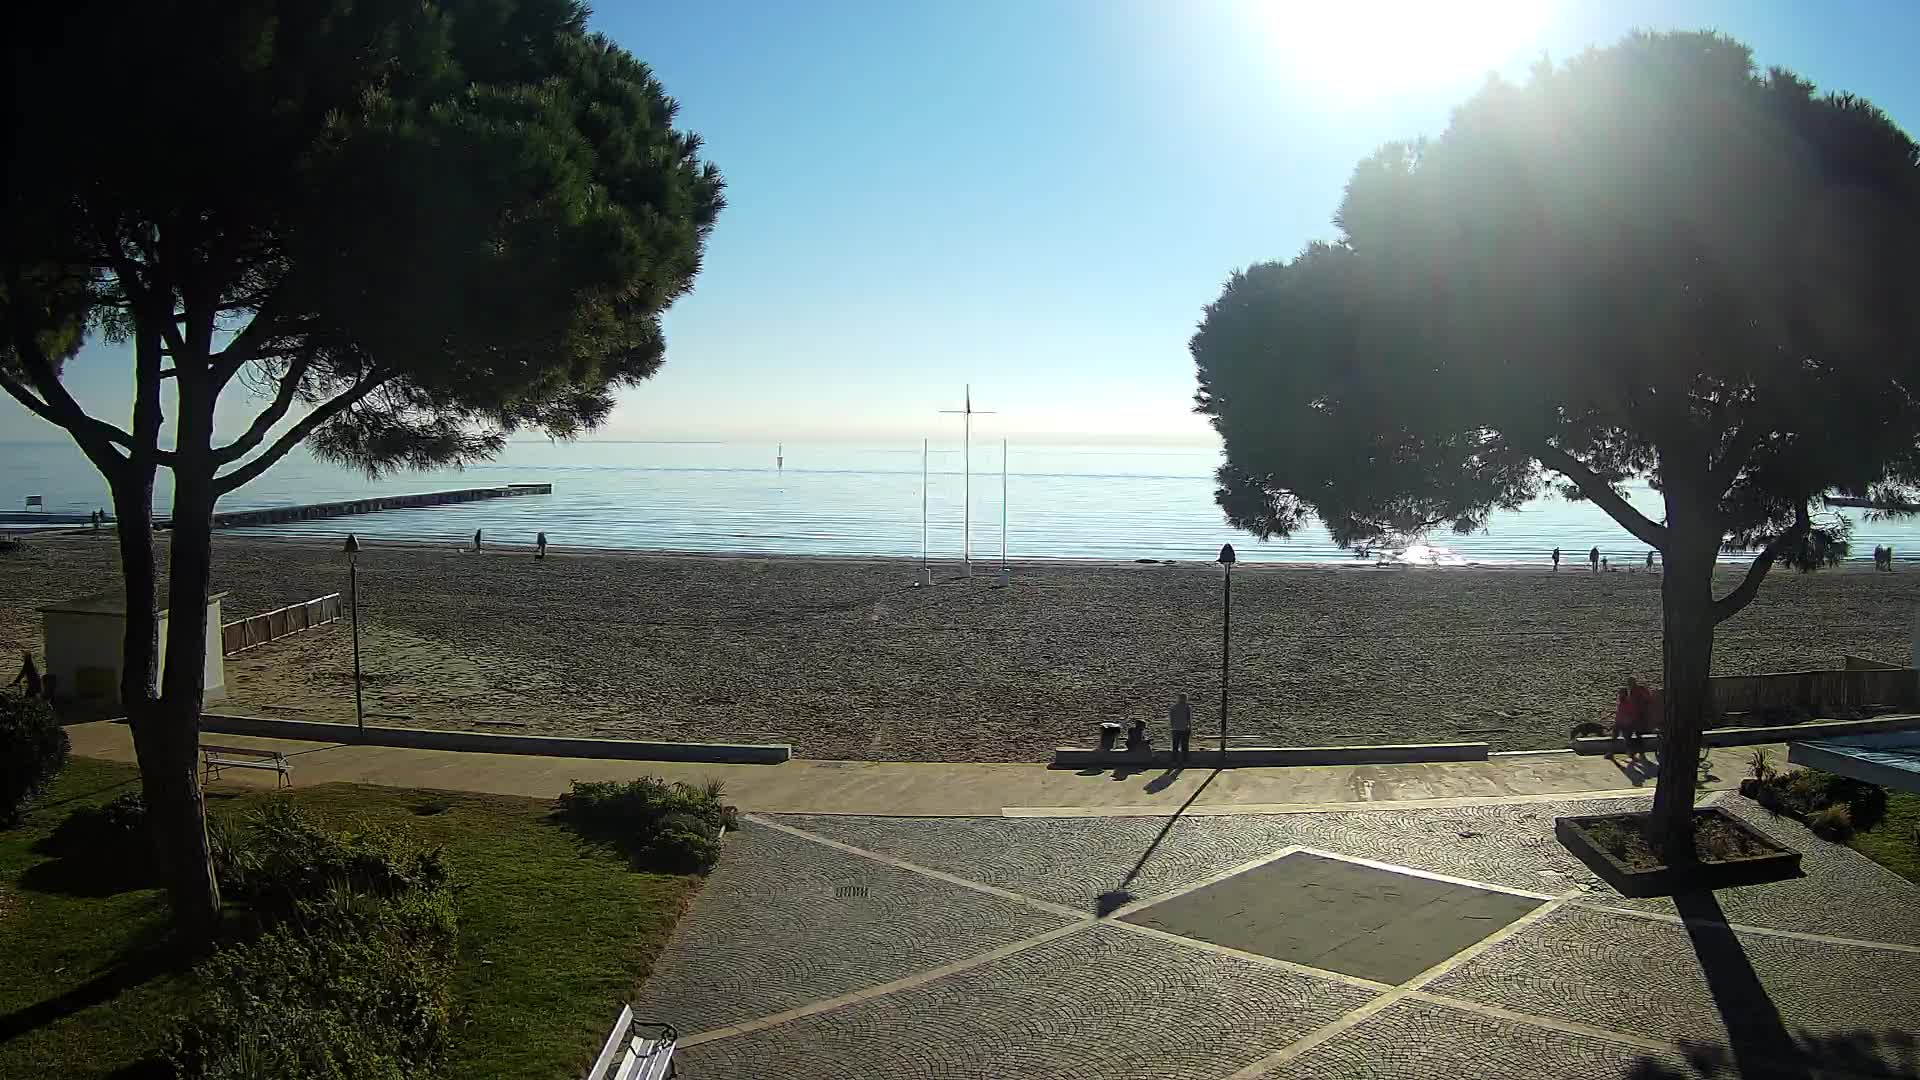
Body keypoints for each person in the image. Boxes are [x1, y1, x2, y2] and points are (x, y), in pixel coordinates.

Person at [1168, 693, 1192, 762]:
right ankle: (1184, 761)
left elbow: (1171, 718)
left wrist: (1172, 726)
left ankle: (1174, 761)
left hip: (1175, 729)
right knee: (1184, 746)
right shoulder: (1187, 707)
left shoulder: (1173, 707)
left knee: (1175, 746)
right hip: (1184, 729)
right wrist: (1190, 727)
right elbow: (1189, 719)